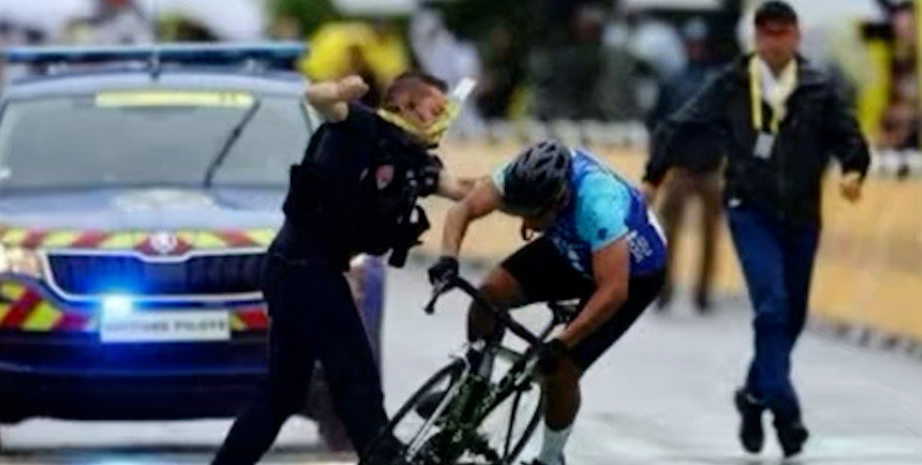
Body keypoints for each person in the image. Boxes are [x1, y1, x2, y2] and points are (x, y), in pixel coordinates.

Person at [210, 73, 476, 465]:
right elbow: (317, 97)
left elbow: (462, 190)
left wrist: (512, 185)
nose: (442, 119)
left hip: (305, 273)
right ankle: (384, 459)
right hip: (302, 270)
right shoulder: (359, 126)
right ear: (405, 107)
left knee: (283, 391)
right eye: (434, 109)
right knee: (356, 379)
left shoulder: (413, 160)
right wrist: (340, 91)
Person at [642, 1, 870, 457]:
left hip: (803, 215)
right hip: (751, 210)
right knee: (772, 310)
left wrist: (853, 169)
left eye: (783, 33)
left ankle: (753, 396)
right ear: (756, 37)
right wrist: (655, 174)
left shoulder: (818, 87)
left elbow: (849, 136)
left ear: (797, 37)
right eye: (767, 33)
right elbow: (680, 123)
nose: (775, 43)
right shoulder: (730, 83)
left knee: (792, 320)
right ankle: (786, 414)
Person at [428, 140, 668, 465]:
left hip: (633, 273)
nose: (526, 225)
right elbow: (463, 210)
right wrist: (448, 258)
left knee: (561, 371)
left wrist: (562, 343)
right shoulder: (519, 176)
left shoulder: (599, 204)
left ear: (559, 201)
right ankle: (469, 394)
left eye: (533, 216)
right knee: (490, 294)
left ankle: (551, 458)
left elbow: (613, 291)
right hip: (572, 244)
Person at [645, 17, 723, 312]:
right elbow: (657, 122)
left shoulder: (717, 82)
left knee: (710, 234)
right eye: (692, 43)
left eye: (700, 44)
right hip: (680, 168)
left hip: (710, 168)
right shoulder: (673, 81)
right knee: (668, 233)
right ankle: (664, 289)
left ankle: (703, 291)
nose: (696, 49)